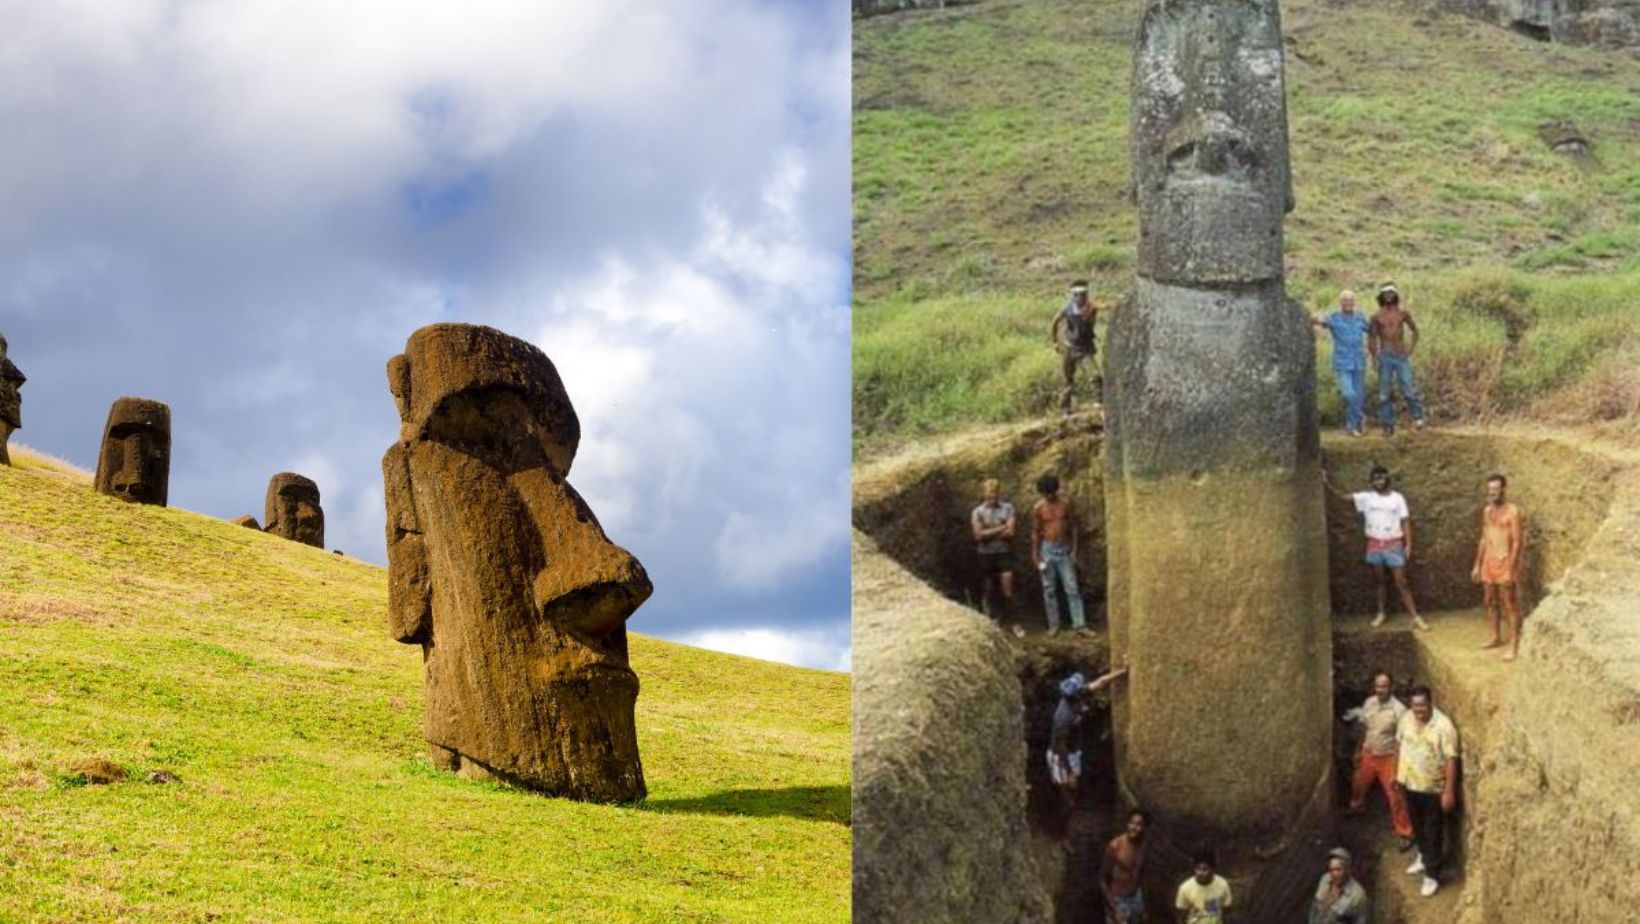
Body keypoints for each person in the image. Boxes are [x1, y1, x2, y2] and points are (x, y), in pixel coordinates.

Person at [1396, 685, 1460, 898]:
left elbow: (1451, 759)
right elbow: (1400, 745)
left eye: (1422, 705)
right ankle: (1423, 857)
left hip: (1432, 788)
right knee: (1417, 825)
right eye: (1415, 705)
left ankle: (1432, 875)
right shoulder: (1406, 718)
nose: (1418, 710)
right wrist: (1398, 775)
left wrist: (1448, 791)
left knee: (1433, 831)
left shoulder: (1443, 727)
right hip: (1410, 783)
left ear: (1430, 703)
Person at [1343, 669, 1414, 849]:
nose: (1380, 689)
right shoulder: (1369, 703)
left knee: (1395, 794)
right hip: (1369, 753)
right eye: (1377, 686)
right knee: (1358, 783)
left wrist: (1399, 766)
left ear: (1391, 687)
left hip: (1388, 756)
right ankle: (1357, 807)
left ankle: (1405, 831)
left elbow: (1404, 741)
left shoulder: (1399, 711)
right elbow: (1365, 728)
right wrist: (1358, 750)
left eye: (1384, 686)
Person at [1351, 465, 1428, 630]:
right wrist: (1326, 482)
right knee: (1379, 581)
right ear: (1371, 481)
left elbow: (1405, 521)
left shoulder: (1397, 498)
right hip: (1374, 543)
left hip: (1393, 544)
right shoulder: (1367, 498)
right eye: (1376, 478)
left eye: (1382, 477)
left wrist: (1408, 544)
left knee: (1402, 581)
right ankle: (1381, 613)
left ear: (1387, 479)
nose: (1379, 481)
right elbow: (1343, 497)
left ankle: (1415, 616)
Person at [1048, 665, 1130, 818]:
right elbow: (1061, 747)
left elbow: (1101, 682)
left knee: (1074, 785)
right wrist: (1070, 772)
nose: (1083, 689)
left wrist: (1123, 672)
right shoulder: (1063, 718)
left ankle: (1072, 804)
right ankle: (1065, 812)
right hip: (1060, 756)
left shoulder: (1077, 694)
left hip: (1073, 749)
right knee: (1065, 787)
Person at [1472, 473, 1525, 662]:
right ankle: (1495, 636)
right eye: (1490, 490)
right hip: (1489, 560)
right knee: (1490, 600)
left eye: (1496, 489)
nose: (1492, 493)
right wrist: (1477, 564)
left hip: (1505, 561)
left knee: (1510, 604)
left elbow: (1518, 542)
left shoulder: (1513, 512)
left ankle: (1514, 644)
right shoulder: (1487, 511)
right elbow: (1484, 538)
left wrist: (1511, 567)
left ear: (1504, 489)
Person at [1032, 473, 1086, 634]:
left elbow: (1074, 527)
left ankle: (1080, 624)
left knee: (1072, 587)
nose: (1048, 496)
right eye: (1045, 494)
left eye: (1050, 493)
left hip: (1063, 549)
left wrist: (1074, 550)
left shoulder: (1066, 505)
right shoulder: (1039, 508)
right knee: (1049, 589)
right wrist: (1035, 556)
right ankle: (1054, 625)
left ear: (1055, 491)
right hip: (1047, 549)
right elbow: (1036, 532)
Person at [1369, 282, 1426, 435]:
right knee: (1384, 392)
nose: (1388, 296)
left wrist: (1410, 350)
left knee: (1408, 388)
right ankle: (1387, 424)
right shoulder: (1376, 316)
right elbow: (1372, 338)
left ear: (1395, 295)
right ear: (1381, 296)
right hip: (1385, 356)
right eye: (1386, 293)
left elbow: (1415, 331)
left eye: (1391, 293)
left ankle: (1418, 417)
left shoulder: (1403, 313)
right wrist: (1374, 357)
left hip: (1401, 355)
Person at [1312, 290, 1372, 437]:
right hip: (1342, 362)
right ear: (1341, 302)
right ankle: (1360, 419)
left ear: (1354, 302)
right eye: (1345, 300)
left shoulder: (1359, 317)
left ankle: (1353, 426)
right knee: (1349, 394)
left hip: (1359, 361)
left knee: (1358, 395)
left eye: (1351, 300)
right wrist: (1308, 316)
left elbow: (1372, 330)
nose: (1348, 303)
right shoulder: (1334, 317)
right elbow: (1318, 320)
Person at [1050, 280, 1100, 417]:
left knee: (1095, 376)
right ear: (1073, 296)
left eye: (1083, 294)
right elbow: (1055, 322)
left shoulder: (1091, 309)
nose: (1080, 298)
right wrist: (1055, 341)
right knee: (1067, 379)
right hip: (1069, 347)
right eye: (1077, 295)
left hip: (1084, 349)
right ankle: (1065, 409)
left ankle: (1099, 402)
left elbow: (1089, 327)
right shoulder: (1067, 309)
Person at [970, 478, 1017, 622]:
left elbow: (1011, 532)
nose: (993, 497)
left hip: (1004, 553)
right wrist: (1002, 527)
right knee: (989, 587)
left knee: (1007, 587)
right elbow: (978, 536)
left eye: (995, 494)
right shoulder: (978, 511)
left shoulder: (1008, 508)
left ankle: (1012, 619)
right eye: (989, 494)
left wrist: (988, 532)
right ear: (984, 494)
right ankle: (991, 618)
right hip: (986, 555)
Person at [1100, 809, 1149, 924]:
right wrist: (1114, 909)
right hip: (1117, 899)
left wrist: (1143, 903)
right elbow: (1102, 879)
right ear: (1127, 824)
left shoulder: (1143, 847)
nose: (1134, 827)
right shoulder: (1116, 845)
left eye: (1139, 824)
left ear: (1144, 827)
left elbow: (1142, 875)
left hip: (1136, 898)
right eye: (1132, 823)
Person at [1307, 847, 1370, 924]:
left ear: (1347, 869)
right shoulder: (1325, 879)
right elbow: (1314, 909)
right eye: (1331, 869)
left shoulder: (1357, 895)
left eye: (1338, 869)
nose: (1334, 874)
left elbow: (1360, 921)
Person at [1174, 849, 1233, 924]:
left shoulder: (1222, 885)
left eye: (1205, 869)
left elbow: (1227, 912)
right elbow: (1180, 916)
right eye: (1198, 868)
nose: (1200, 873)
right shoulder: (1185, 888)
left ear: (1212, 869)